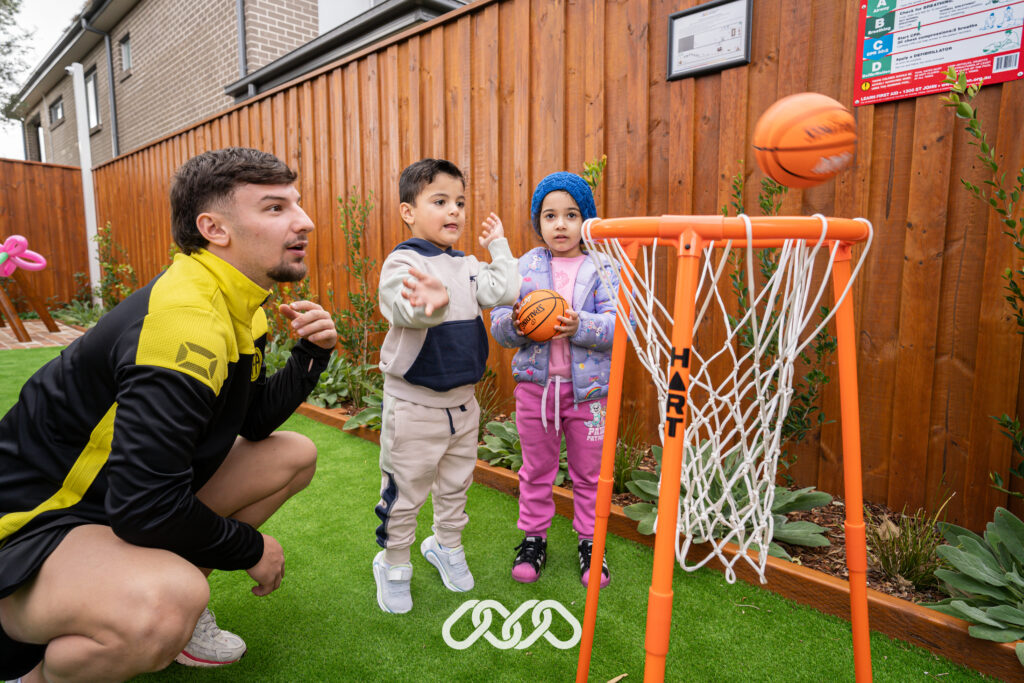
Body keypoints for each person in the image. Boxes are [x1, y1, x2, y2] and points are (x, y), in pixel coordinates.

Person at [0, 147, 337, 682]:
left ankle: (176, 608)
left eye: (296, 204)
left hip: (110, 504)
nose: (305, 221)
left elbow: (250, 425)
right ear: (214, 229)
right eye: (275, 208)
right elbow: (144, 506)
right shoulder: (184, 320)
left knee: (293, 455)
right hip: (30, 527)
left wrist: (311, 357)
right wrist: (250, 548)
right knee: (162, 604)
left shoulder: (234, 303)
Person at [372, 158, 519, 614]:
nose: (453, 210)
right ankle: (394, 563)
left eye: (459, 202)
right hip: (414, 407)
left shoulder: (468, 266)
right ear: (408, 211)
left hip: (463, 405)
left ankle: (445, 546)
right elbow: (402, 307)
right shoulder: (404, 261)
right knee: (405, 491)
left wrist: (499, 248)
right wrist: (429, 305)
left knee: (455, 486)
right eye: (440, 201)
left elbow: (507, 291)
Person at [491, 171, 619, 589]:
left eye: (571, 214)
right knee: (536, 469)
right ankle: (533, 538)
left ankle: (590, 542)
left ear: (586, 220)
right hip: (535, 391)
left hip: (591, 395)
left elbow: (621, 326)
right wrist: (520, 323)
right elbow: (498, 323)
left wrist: (580, 325)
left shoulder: (602, 266)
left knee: (589, 472)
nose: (560, 224)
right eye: (550, 215)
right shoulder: (524, 268)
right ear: (538, 221)